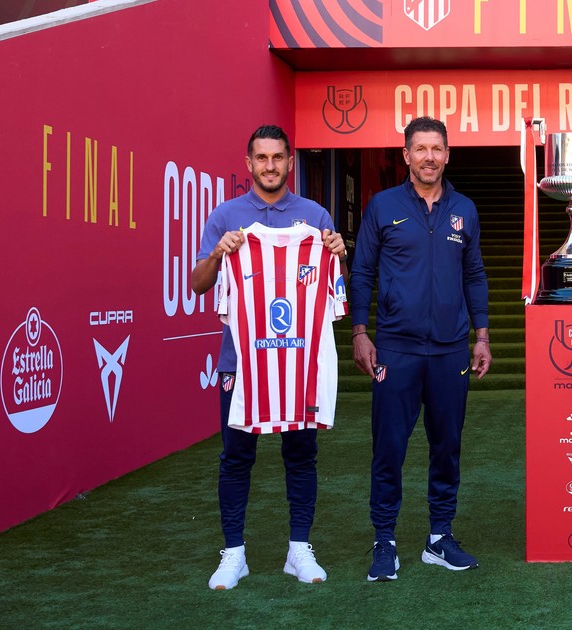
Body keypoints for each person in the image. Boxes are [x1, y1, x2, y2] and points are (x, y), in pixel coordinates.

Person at [191, 124, 347, 590]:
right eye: (262, 158)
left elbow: (334, 292)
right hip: (241, 361)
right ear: (249, 163)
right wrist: (218, 254)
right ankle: (233, 553)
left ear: (290, 162)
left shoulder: (315, 216)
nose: (270, 166)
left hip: (298, 362)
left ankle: (299, 548)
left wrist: (338, 252)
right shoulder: (226, 216)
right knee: (237, 455)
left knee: (301, 454)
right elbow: (198, 284)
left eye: (278, 157)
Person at [350, 116, 491, 582]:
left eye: (437, 149)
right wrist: (359, 332)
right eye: (421, 149)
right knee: (389, 448)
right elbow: (362, 271)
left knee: (447, 447)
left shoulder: (464, 209)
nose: (429, 157)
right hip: (396, 349)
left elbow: (474, 274)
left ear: (448, 155)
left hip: (450, 350)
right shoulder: (382, 206)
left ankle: (439, 537)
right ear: (406, 155)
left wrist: (482, 335)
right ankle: (384, 541)